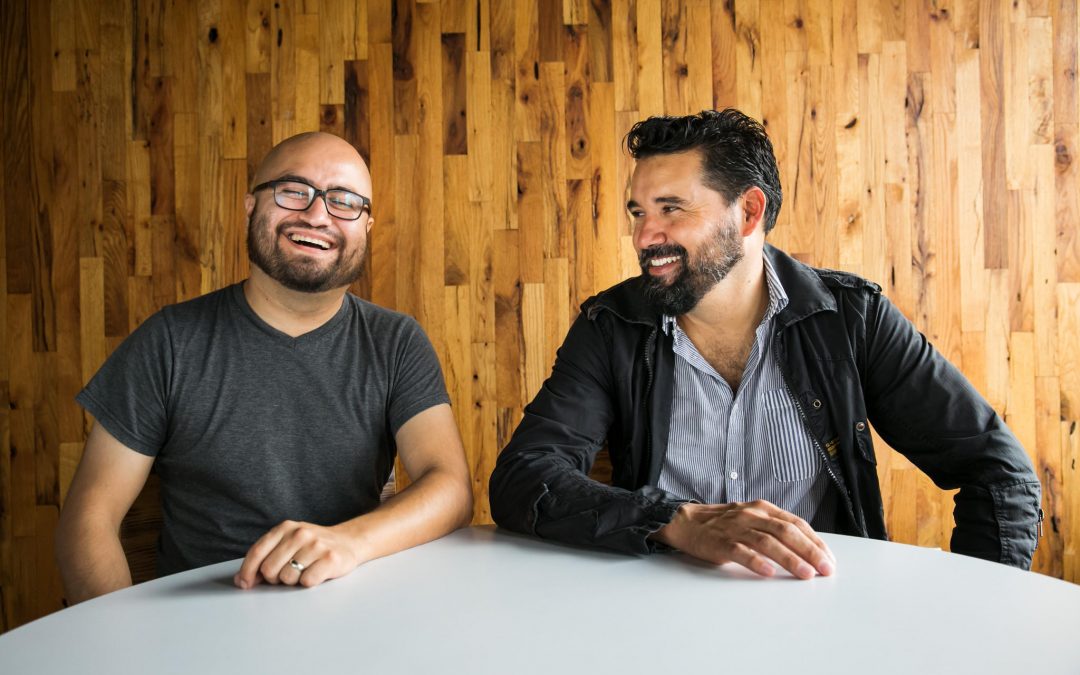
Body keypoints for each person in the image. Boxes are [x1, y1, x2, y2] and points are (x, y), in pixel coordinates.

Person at [489, 109, 1042, 579]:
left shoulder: (850, 318)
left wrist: (978, 607)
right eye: (638, 212)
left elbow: (999, 472)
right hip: (659, 623)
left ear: (749, 212)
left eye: (670, 209)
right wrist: (676, 520)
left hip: (821, 621)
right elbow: (524, 477)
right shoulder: (612, 325)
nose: (643, 237)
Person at [56, 132, 473, 602]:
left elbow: (451, 487)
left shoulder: (395, 342)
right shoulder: (169, 342)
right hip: (202, 623)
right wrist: (121, 651)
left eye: (345, 201)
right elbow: (88, 519)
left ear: (367, 227)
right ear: (250, 206)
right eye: (293, 190)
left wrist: (349, 542)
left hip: (352, 613)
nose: (318, 215)